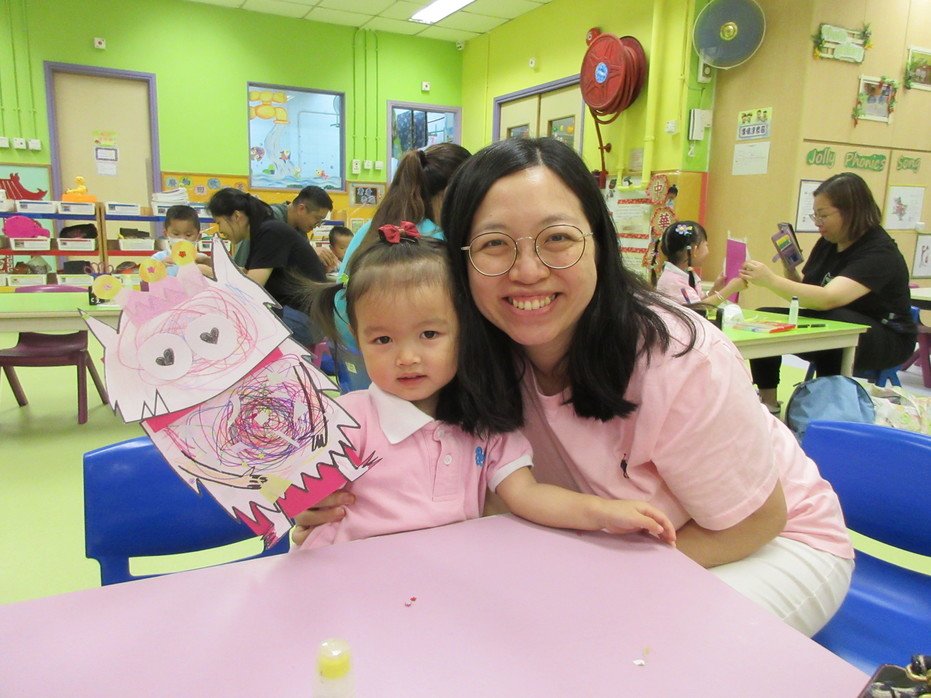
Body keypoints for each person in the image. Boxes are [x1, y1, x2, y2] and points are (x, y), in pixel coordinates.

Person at [292, 220, 676, 550]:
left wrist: (603, 512)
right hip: (357, 582)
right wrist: (302, 506)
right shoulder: (347, 420)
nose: (406, 357)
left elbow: (528, 495)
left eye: (429, 334)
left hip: (445, 584)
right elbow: (294, 497)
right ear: (357, 337)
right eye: (382, 340)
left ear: (465, 332)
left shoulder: (484, 423)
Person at [740, 172, 917, 414]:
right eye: (815, 215)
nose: (817, 222)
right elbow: (812, 295)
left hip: (886, 336)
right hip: (836, 319)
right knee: (765, 318)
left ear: (851, 211)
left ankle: (828, 411)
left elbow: (828, 299)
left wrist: (770, 280)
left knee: (837, 327)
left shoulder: (879, 252)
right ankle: (768, 404)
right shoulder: (828, 242)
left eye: (823, 215)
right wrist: (789, 270)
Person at [330, 143, 472, 391]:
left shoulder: (375, 226)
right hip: (401, 362)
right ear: (453, 193)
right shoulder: (434, 240)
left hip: (354, 351)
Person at [207, 187, 328, 347]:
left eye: (219, 222)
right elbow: (246, 274)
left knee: (236, 325)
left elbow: (250, 289)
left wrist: (207, 272)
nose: (220, 230)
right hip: (301, 316)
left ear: (236, 216)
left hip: (307, 323)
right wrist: (209, 265)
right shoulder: (263, 231)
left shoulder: (271, 231)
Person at [233, 186, 338, 272]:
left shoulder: (300, 229)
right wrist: (310, 253)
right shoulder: (269, 219)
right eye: (317, 218)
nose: (318, 225)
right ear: (301, 209)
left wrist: (321, 267)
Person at [651, 220, 746, 306]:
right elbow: (699, 309)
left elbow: (699, 301)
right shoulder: (674, 281)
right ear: (694, 250)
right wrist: (730, 289)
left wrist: (716, 288)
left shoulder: (684, 274)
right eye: (706, 245)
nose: (708, 251)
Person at [150, 204, 201, 277]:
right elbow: (146, 278)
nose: (182, 239)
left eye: (188, 235)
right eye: (176, 234)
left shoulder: (200, 259)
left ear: (198, 236)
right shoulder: (159, 258)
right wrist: (159, 267)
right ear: (166, 234)